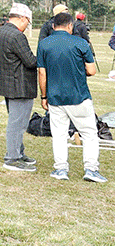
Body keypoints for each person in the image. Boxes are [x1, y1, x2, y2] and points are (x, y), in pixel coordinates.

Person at [37, 12, 105, 182]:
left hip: (55, 97)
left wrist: (43, 96)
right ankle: (91, 169)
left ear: (53, 26)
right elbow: (91, 70)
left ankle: (60, 169)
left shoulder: (44, 44)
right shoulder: (81, 43)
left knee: (59, 134)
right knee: (89, 133)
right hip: (79, 96)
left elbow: (41, 72)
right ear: (70, 26)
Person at [0, 3, 37, 172]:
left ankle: (19, 152)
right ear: (22, 18)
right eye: (27, 23)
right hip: (20, 85)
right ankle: (12, 158)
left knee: (16, 121)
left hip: (5, 83)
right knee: (17, 124)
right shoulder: (17, 36)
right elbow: (30, 61)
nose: (26, 27)